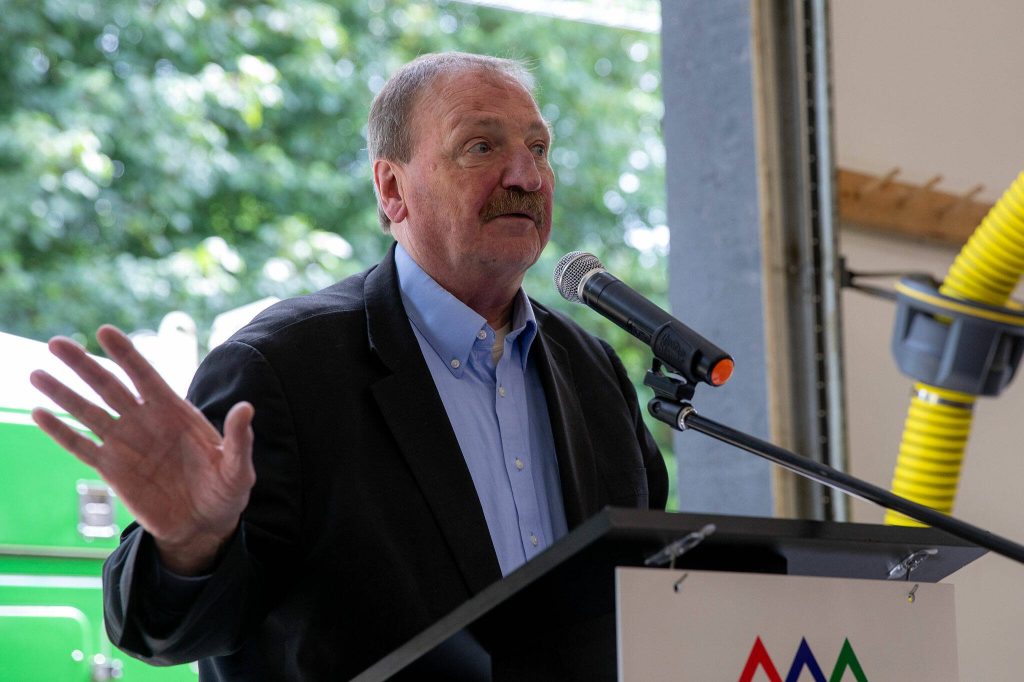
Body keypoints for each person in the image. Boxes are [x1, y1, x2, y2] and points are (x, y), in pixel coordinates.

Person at [30, 52, 668, 680]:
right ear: (392, 189)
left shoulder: (593, 374)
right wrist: (190, 546)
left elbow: (647, 595)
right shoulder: (279, 370)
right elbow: (161, 632)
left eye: (539, 148)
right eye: (481, 147)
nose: (527, 176)